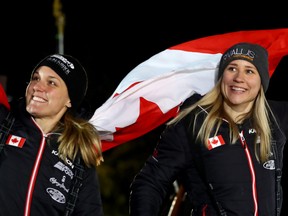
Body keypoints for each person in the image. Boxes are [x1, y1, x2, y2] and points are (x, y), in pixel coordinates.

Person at [129, 42, 288, 216]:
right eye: (232, 68)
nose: (239, 78)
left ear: (261, 81)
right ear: (221, 76)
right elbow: (150, 182)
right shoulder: (192, 123)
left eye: (249, 71)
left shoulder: (275, 118)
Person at [0, 54, 104, 216]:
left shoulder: (78, 158)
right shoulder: (4, 122)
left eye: (51, 82)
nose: (37, 87)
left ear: (69, 100)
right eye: (35, 78)